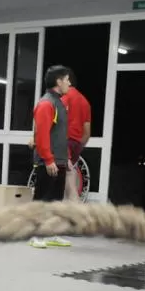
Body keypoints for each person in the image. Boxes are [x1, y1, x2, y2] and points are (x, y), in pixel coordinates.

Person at [28, 65, 73, 249]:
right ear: (58, 81)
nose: (69, 83)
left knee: (56, 200)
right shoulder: (46, 103)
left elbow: (60, 134)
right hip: (48, 161)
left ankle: (52, 234)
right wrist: (48, 159)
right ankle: (35, 235)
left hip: (59, 160)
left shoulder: (60, 103)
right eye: (67, 79)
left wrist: (66, 157)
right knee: (42, 199)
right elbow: (41, 135)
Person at [61, 69, 91, 202]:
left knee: (68, 187)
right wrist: (78, 147)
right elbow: (87, 133)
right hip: (75, 145)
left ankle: (80, 216)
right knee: (69, 183)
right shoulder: (85, 102)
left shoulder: (62, 99)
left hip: (63, 144)